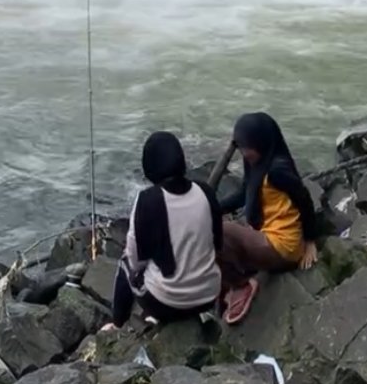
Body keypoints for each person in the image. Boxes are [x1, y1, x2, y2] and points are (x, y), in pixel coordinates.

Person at [104, 131, 223, 331]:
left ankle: (117, 325)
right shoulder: (206, 191)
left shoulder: (148, 200)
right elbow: (217, 244)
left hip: (166, 304)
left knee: (125, 265)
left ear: (148, 168)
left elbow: (134, 260)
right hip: (208, 296)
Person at [218, 111, 317, 326]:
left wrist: (310, 240)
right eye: (241, 147)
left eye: (247, 147)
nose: (244, 153)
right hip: (265, 233)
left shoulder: (277, 170)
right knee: (217, 230)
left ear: (261, 143)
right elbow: (245, 193)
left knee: (218, 231)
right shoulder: (256, 161)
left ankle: (242, 286)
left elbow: (305, 200)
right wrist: (213, 207)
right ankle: (235, 278)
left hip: (284, 246)